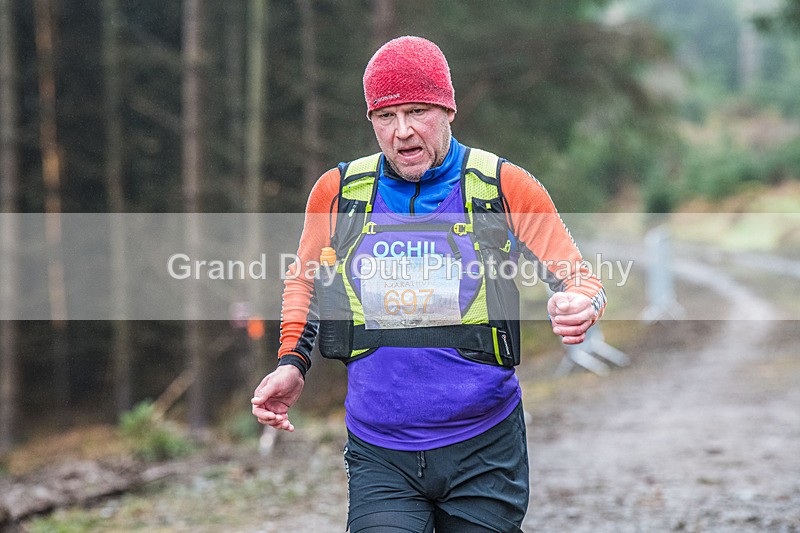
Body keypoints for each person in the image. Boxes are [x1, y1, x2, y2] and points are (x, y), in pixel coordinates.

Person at [252, 36, 606, 533]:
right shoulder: (340, 192)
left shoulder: (500, 185)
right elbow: (304, 283)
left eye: (418, 111)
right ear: (371, 121)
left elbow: (578, 276)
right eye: (385, 116)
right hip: (380, 452)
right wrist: (292, 362)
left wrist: (580, 302)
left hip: (484, 447)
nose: (402, 132)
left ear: (448, 109)